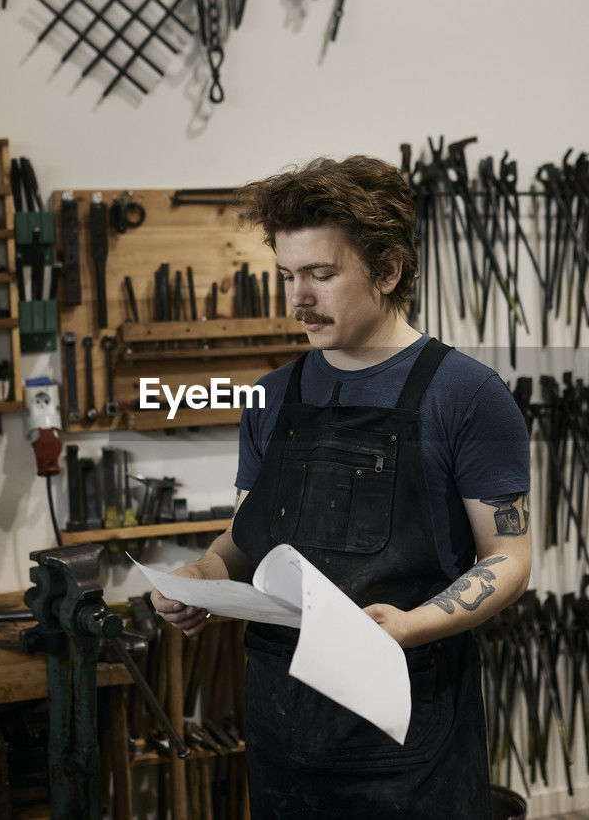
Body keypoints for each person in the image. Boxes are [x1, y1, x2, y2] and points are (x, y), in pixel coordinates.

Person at [151, 155, 531, 818]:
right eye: (288, 275)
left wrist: (410, 624)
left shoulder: (468, 396)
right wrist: (203, 574)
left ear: (386, 271)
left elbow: (510, 558)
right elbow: (245, 538)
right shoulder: (273, 396)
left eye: (321, 275)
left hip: (406, 737)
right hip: (282, 728)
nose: (298, 297)